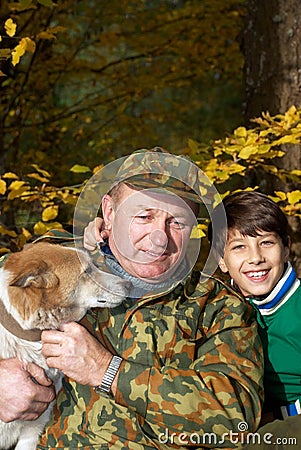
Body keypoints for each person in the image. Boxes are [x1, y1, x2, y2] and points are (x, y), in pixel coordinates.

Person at [0, 149, 264, 449]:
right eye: (144, 216)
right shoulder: (48, 268)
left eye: (176, 222)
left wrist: (107, 370)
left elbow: (237, 417)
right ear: (109, 214)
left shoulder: (215, 307)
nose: (159, 237)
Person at [208, 190, 301, 425]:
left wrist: (280, 415)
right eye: (239, 247)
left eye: (267, 243)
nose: (256, 257)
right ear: (221, 259)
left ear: (286, 248)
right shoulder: (214, 308)